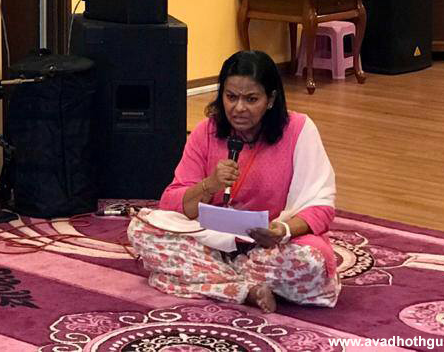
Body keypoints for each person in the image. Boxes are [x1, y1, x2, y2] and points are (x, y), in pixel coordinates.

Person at [128, 50, 339, 313]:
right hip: (211, 240)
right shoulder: (206, 131)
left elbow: (321, 207)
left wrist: (281, 230)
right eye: (231, 97)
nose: (238, 108)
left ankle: (205, 278)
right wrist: (210, 184)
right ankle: (245, 289)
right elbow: (171, 203)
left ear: (271, 99)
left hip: (270, 247)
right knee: (141, 229)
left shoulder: (299, 130)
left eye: (251, 99)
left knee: (310, 261)